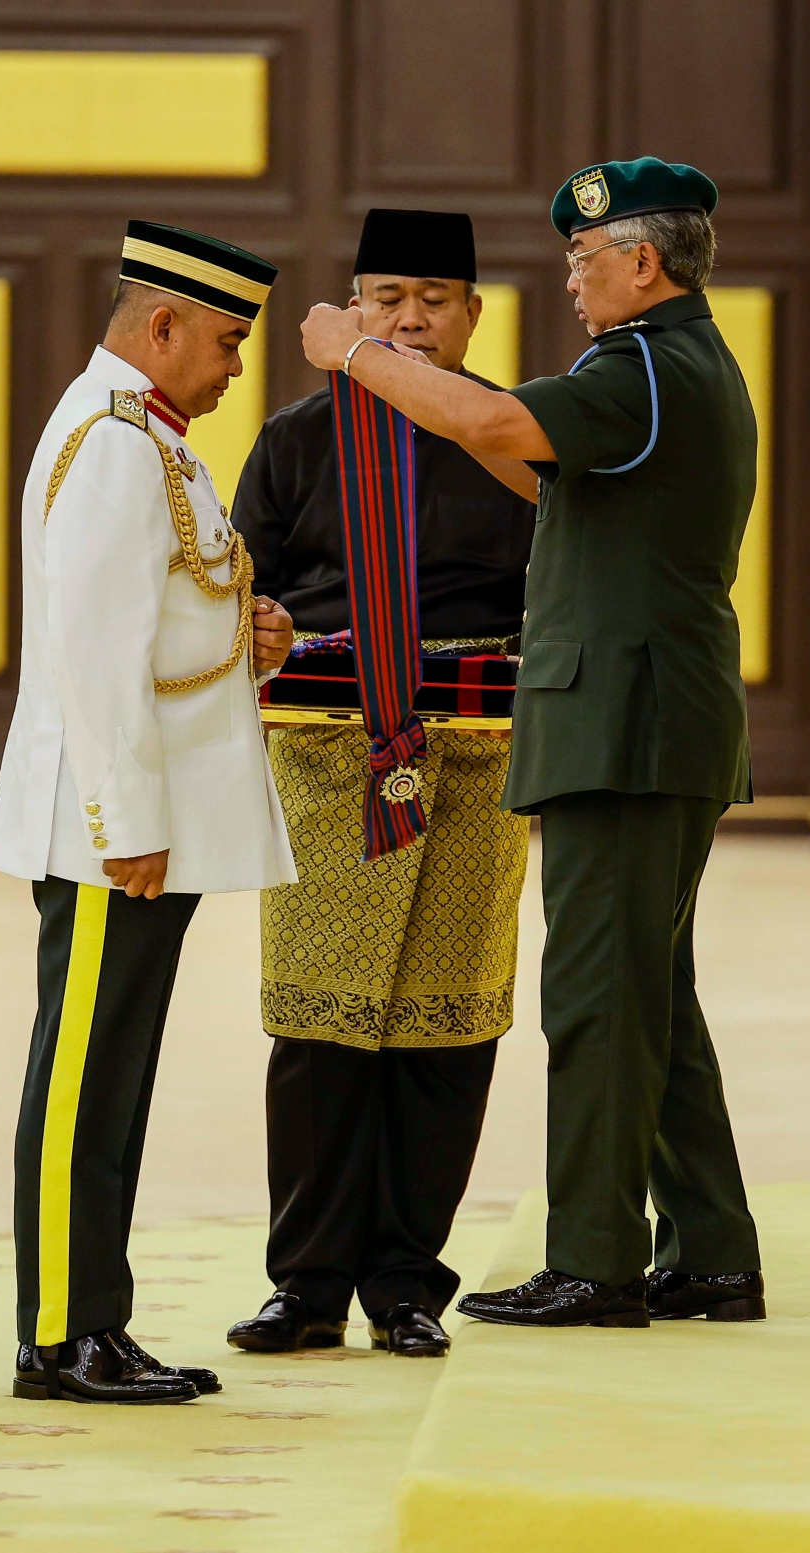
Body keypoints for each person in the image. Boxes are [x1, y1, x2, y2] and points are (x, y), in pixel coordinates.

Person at [300, 159, 765, 1331]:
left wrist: (357, 354)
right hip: (657, 716)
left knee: (599, 1000)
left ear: (641, 263)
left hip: (626, 723)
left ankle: (596, 1260)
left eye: (582, 258)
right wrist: (430, 389)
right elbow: (532, 456)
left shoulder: (642, 362)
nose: (570, 281)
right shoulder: (672, 369)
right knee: (652, 992)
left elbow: (505, 419)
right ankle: (710, 1246)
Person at [0, 220, 297, 1402]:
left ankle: (93, 1319)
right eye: (222, 342)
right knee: (83, 1078)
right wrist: (127, 825)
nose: (230, 369)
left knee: (113, 1074)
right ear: (159, 325)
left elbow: (168, 612)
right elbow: (94, 652)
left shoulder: (149, 437)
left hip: (137, 818)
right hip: (114, 829)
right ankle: (60, 1333)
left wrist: (249, 638)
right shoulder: (115, 446)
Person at [226, 209, 536, 1358]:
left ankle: (407, 1283)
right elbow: (239, 578)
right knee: (320, 1023)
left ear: (473, 313)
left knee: (447, 1029)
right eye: (387, 296)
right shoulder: (298, 438)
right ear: (351, 310)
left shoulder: (510, 437)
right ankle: (304, 1284)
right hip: (326, 759)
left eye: (435, 300)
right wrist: (254, 621)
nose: (410, 319)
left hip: (477, 760)